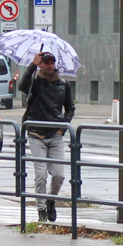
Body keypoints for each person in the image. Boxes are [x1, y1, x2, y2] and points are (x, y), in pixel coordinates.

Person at [18, 51, 75, 221]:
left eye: (51, 62)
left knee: (58, 175)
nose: (49, 65)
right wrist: (32, 65)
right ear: (41, 65)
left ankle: (51, 201)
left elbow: (70, 108)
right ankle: (41, 210)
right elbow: (22, 86)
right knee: (41, 175)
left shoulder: (63, 85)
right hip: (36, 135)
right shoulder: (35, 83)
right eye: (46, 62)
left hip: (55, 135)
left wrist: (61, 130)